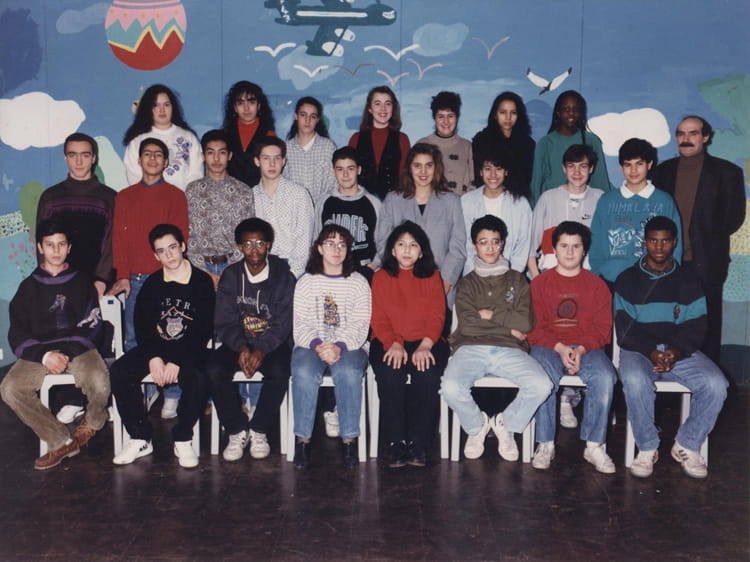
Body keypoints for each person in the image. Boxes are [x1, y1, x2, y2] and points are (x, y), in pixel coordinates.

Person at [614, 216, 728, 479]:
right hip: (639, 351)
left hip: (678, 351)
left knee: (716, 385)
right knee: (634, 380)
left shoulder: (689, 279)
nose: (659, 247)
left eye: (665, 241)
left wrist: (675, 351)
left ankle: (687, 444)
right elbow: (625, 329)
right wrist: (651, 351)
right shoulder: (627, 279)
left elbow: (697, 325)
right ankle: (647, 447)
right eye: (653, 241)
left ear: (674, 243)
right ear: (644, 242)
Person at [441, 215, 552, 461]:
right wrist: (508, 327)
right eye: (483, 242)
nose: (490, 248)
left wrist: (490, 314)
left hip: (509, 349)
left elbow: (525, 323)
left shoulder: (517, 279)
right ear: (474, 246)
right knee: (450, 387)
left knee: (542, 385)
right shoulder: (467, 283)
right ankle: (476, 426)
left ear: (503, 244)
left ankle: (506, 424)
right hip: (470, 348)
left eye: (495, 241)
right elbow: (468, 326)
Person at [1, 220, 110, 470]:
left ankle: (93, 422)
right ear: (40, 248)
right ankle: (61, 440)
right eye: (50, 245)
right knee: (10, 388)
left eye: (61, 244)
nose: (56, 250)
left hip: (78, 346)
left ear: (69, 248)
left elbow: (93, 321)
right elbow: (17, 330)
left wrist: (67, 352)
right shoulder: (28, 287)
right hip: (41, 350)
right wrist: (45, 355)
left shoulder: (82, 281)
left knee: (98, 379)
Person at [110, 224, 214, 468]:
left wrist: (177, 360)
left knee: (198, 376)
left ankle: (183, 437)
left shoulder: (201, 281)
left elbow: (203, 329)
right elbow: (142, 326)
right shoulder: (152, 284)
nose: (169, 255)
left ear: (183, 247)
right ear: (155, 256)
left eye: (173, 247)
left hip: (190, 348)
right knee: (120, 371)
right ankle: (140, 437)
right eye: (162, 251)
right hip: (157, 347)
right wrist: (154, 357)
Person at [652, 116, 746, 363]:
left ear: (705, 137)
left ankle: (708, 382)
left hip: (707, 263)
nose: (685, 139)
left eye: (693, 133)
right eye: (681, 133)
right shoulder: (662, 172)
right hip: (668, 263)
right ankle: (669, 379)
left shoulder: (727, 173)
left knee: (707, 329)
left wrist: (706, 239)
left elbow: (734, 217)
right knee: (669, 325)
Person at [108, 138, 188, 419]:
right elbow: (119, 240)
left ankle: (173, 394)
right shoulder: (124, 197)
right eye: (147, 154)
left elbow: (180, 239)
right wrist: (123, 276)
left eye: (158, 155)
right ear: (139, 160)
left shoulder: (176, 196)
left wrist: (174, 276)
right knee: (135, 338)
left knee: (171, 335)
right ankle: (145, 390)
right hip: (136, 280)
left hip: (167, 279)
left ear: (166, 162)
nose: (152, 159)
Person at [528, 221, 617, 473]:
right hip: (549, 345)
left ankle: (594, 444)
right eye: (564, 246)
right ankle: (545, 443)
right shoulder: (539, 284)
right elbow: (533, 328)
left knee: (605, 376)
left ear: (584, 250)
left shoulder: (597, 285)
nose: (569, 252)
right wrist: (559, 347)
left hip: (586, 347)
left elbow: (602, 329)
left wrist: (580, 350)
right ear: (554, 249)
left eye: (576, 246)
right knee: (543, 375)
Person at [207, 218, 295, 462]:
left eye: (259, 243)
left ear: (268, 245)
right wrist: (241, 347)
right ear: (239, 247)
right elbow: (224, 321)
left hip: (272, 343)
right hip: (239, 342)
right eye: (247, 244)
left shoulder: (283, 276)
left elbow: (283, 323)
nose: (254, 250)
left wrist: (261, 349)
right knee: (213, 368)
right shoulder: (231, 275)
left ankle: (259, 430)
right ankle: (236, 429)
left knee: (280, 370)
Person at [291, 225, 371, 468]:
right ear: (319, 248)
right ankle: (302, 440)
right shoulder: (306, 282)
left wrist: (339, 346)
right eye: (330, 244)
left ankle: (349, 440)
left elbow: (360, 324)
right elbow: (300, 324)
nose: (336, 250)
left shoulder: (358, 282)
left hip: (350, 346)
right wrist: (319, 345)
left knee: (349, 372)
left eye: (342, 245)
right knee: (303, 371)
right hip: (311, 345)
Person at [370, 221, 449, 467]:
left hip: (427, 340)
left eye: (413, 245)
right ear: (392, 250)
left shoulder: (433, 276)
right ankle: (396, 442)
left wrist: (426, 344)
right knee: (390, 373)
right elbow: (378, 318)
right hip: (389, 340)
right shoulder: (380, 277)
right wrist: (392, 342)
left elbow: (438, 316)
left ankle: (418, 443)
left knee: (427, 374)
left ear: (421, 251)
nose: (407, 250)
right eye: (401, 244)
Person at [375, 143, 466, 302]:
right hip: (400, 285)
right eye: (417, 166)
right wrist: (398, 275)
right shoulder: (393, 200)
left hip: (441, 286)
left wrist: (444, 283)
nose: (423, 172)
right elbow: (383, 241)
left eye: (429, 165)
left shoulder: (452, 202)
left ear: (436, 168)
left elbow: (458, 247)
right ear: (409, 168)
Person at [589, 138, 682, 287]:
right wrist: (599, 274)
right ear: (621, 167)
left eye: (639, 164)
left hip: (654, 280)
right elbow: (596, 241)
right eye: (628, 165)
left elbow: (676, 244)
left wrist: (670, 276)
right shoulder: (606, 201)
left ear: (649, 164)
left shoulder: (664, 201)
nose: (633, 170)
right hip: (613, 279)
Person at [37, 132, 116, 300]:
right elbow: (43, 244)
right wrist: (49, 278)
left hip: (98, 286)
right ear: (65, 158)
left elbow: (113, 242)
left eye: (85, 155)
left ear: (93, 158)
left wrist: (102, 279)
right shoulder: (51, 197)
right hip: (58, 283)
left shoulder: (109, 198)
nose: (79, 162)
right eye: (72, 155)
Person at [186, 129, 255, 290]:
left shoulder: (243, 191)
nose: (216, 158)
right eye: (211, 153)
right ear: (203, 156)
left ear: (229, 155)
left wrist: (230, 270)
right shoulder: (192, 191)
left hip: (235, 267)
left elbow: (247, 235)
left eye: (222, 153)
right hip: (200, 268)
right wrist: (203, 271)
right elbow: (190, 235)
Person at [528, 144, 604, 278]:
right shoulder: (548, 198)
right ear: (564, 168)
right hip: (551, 274)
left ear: (591, 168)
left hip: (588, 275)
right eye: (571, 166)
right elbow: (530, 249)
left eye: (583, 166)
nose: (577, 172)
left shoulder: (600, 198)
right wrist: (537, 280)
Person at [529, 90, 611, 206]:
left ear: (581, 113)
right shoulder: (545, 143)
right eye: (566, 109)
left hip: (583, 206)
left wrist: (603, 208)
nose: (571, 113)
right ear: (558, 113)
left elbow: (600, 182)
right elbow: (536, 184)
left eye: (575, 109)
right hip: (553, 206)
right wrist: (537, 210)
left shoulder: (591, 141)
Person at [460, 147, 532, 274]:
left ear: (506, 172)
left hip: (509, 274)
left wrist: (512, 276)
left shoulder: (520, 204)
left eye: (498, 169)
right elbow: (466, 244)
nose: (493, 174)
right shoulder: (466, 202)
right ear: (481, 172)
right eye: (488, 169)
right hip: (474, 274)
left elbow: (523, 245)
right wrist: (473, 276)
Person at [251, 137, 314, 279]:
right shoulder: (250, 196)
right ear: (257, 161)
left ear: (284, 161)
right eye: (266, 158)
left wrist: (291, 275)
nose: (272, 164)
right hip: (259, 266)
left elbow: (304, 240)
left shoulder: (299, 194)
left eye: (277, 158)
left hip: (292, 267)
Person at [315, 146, 381, 279]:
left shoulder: (374, 203)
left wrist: (373, 265)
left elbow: (383, 241)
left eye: (350, 169)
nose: (345, 175)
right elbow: (316, 237)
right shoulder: (324, 202)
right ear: (333, 171)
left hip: (364, 270)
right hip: (331, 270)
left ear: (359, 170)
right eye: (340, 169)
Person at [123, 84, 202, 189]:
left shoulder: (188, 137)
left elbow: (196, 175)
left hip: (183, 198)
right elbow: (134, 176)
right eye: (156, 105)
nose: (162, 110)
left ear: (173, 107)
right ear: (148, 108)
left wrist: (183, 196)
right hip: (148, 198)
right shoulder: (137, 141)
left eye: (166, 105)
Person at [348, 85, 410, 200]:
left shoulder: (402, 139)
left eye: (388, 104)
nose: (383, 109)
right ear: (370, 109)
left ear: (393, 108)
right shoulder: (356, 139)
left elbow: (405, 177)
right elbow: (350, 176)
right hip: (361, 201)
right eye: (377, 104)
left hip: (393, 202)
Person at [471, 91, 535, 199]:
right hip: (488, 198)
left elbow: (528, 179)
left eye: (513, 112)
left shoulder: (528, 144)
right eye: (503, 112)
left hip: (518, 200)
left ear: (519, 115)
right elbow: (478, 177)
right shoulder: (482, 141)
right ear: (495, 115)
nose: (508, 117)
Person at [417, 91, 473, 194]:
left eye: (450, 116)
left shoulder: (467, 146)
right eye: (441, 116)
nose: (446, 122)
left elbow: (473, 183)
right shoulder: (422, 144)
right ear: (434, 118)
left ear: (457, 118)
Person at [223, 81, 276, 189]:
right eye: (241, 103)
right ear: (235, 107)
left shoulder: (269, 136)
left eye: (251, 102)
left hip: (260, 193)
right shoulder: (224, 135)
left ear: (259, 105)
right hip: (230, 193)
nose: (246, 108)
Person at [284, 96, 337, 203]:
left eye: (313, 116)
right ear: (296, 116)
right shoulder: (286, 148)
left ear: (317, 120)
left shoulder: (328, 147)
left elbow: (333, 182)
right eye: (303, 115)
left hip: (322, 206)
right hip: (293, 207)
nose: (307, 120)